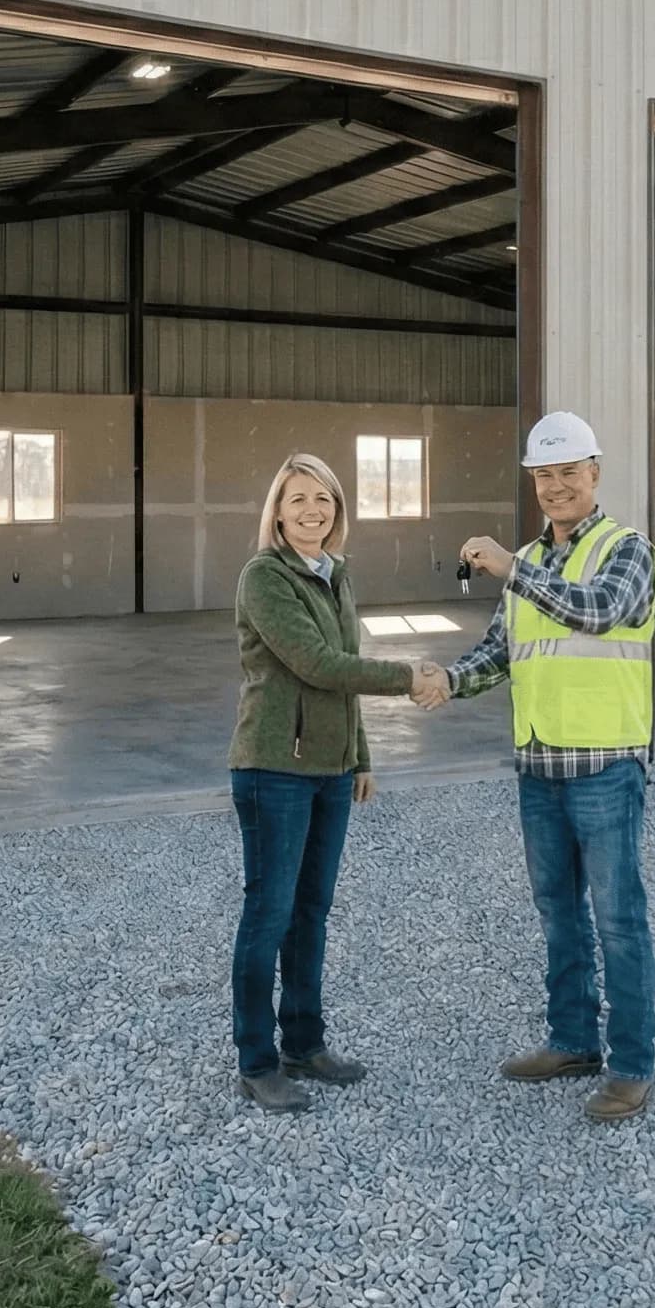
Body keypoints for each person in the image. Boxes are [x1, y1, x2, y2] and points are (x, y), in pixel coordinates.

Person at [413, 412, 655, 1123]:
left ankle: (632, 1065)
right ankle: (572, 1041)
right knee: (558, 913)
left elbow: (600, 613)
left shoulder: (629, 552)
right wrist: (447, 681)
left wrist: (512, 567)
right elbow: (501, 650)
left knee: (618, 920)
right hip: (538, 763)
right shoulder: (530, 558)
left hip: (606, 764)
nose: (554, 487)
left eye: (566, 473)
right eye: (542, 476)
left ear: (594, 473)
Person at [229, 452, 434, 1114]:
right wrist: (408, 676)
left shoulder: (334, 574)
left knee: (311, 914)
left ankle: (305, 1044)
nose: (312, 511)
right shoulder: (264, 578)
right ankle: (257, 1062)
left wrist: (361, 757)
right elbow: (319, 666)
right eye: (297, 500)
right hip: (274, 770)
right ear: (277, 511)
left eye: (323, 500)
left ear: (337, 509)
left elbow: (343, 680)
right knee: (269, 916)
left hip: (330, 771)